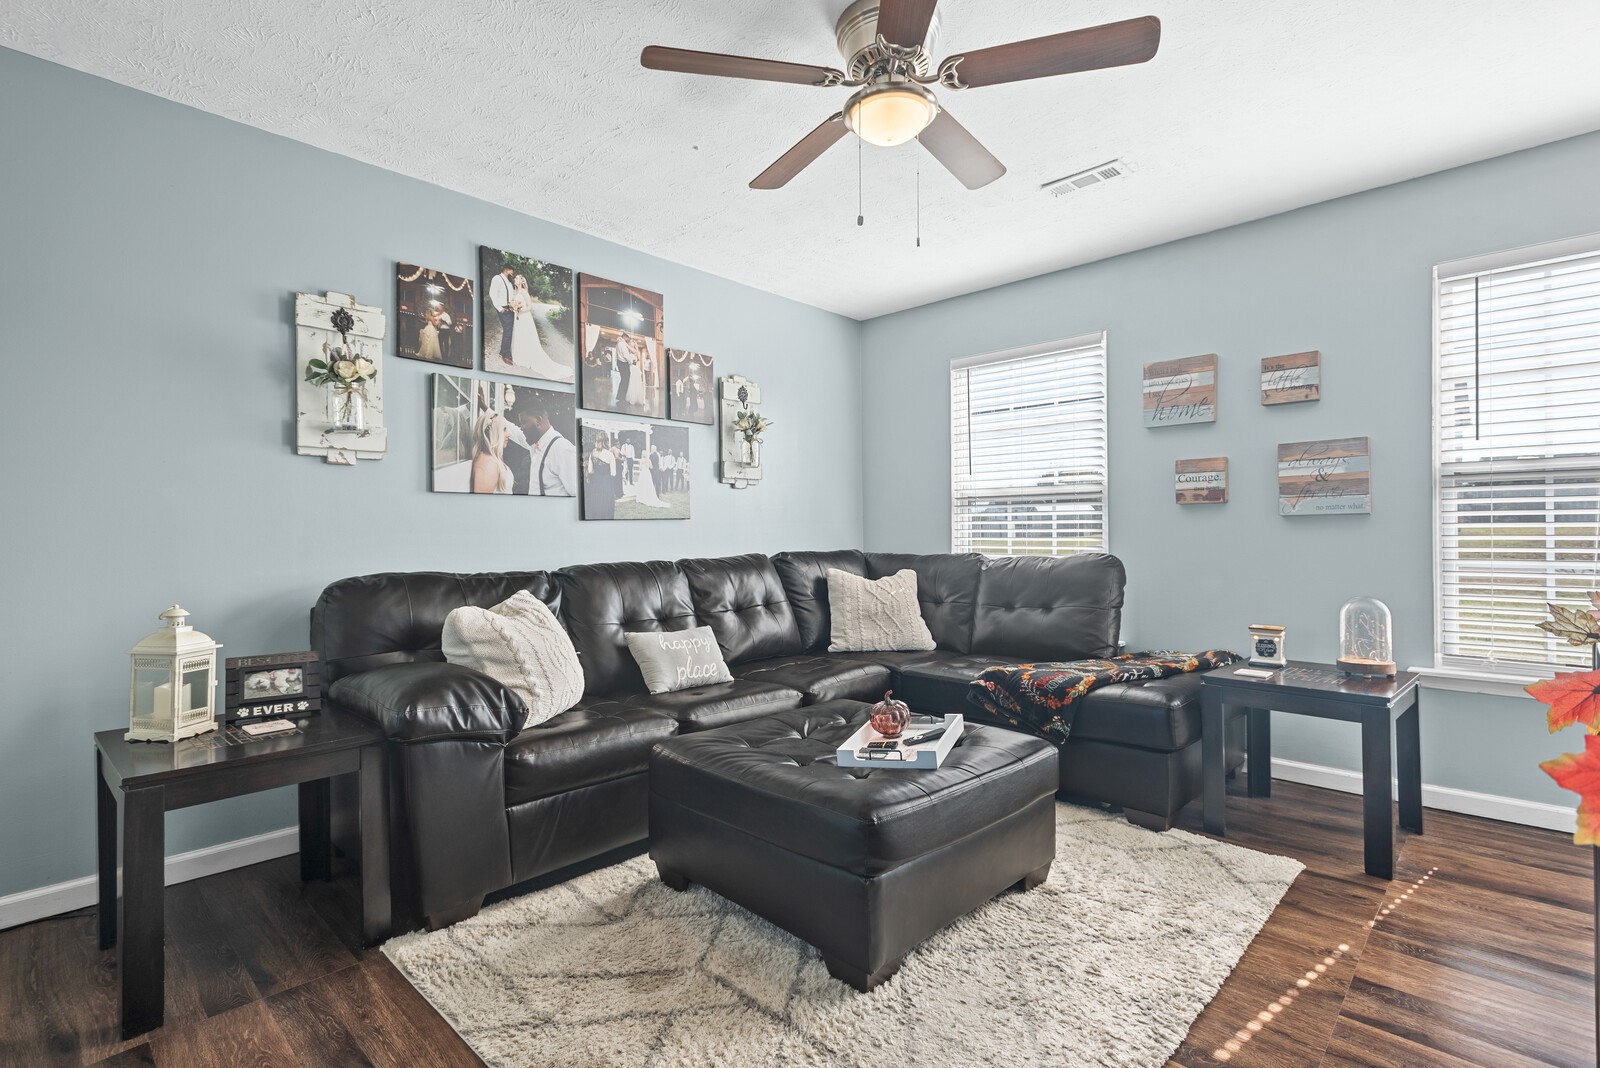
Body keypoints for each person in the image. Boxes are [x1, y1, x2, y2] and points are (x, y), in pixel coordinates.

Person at [510, 275, 571, 381]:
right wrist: (513, 307)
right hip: (517, 317)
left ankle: (527, 358)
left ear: (521, 281)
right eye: (514, 278)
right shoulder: (514, 292)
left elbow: (530, 306)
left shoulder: (524, 292)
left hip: (525, 317)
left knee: (527, 336)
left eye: (516, 278)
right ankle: (519, 356)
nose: (515, 279)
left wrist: (520, 310)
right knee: (519, 335)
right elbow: (512, 303)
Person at [511, 403, 578, 497]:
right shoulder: (535, 442)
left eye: (523, 422)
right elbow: (513, 432)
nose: (521, 428)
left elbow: (576, 494)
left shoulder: (562, 448)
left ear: (538, 420)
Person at [469, 412, 513, 494]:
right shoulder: (487, 463)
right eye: (504, 430)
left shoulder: (489, 459)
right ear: (493, 433)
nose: (508, 434)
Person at [585, 433, 618, 520]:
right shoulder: (609, 454)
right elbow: (613, 473)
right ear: (606, 442)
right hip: (606, 484)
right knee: (606, 506)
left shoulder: (592, 453)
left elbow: (590, 471)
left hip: (595, 484)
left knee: (595, 505)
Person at [488, 265, 516, 365]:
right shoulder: (497, 279)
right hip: (503, 309)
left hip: (510, 309)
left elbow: (511, 295)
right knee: (508, 331)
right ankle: (506, 355)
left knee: (509, 330)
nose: (512, 275)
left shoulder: (509, 282)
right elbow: (492, 294)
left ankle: (502, 350)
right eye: (511, 272)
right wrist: (500, 309)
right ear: (506, 270)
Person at [631, 445, 670, 509]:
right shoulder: (651, 458)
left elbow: (640, 468)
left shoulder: (641, 460)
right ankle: (653, 495)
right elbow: (651, 467)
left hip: (643, 473)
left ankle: (642, 497)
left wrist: (644, 466)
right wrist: (648, 466)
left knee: (642, 485)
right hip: (648, 473)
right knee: (649, 485)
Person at [624, 337, 647, 410]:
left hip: (635, 368)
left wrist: (637, 348)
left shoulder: (635, 351)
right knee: (632, 382)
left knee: (637, 382)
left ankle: (638, 399)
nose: (632, 343)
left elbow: (638, 359)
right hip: (631, 367)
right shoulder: (628, 351)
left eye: (633, 342)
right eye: (631, 342)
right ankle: (632, 398)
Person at [615, 336, 633, 409]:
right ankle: (622, 399)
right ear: (625, 337)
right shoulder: (622, 344)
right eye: (627, 338)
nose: (628, 340)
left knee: (623, 380)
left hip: (620, 363)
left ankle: (620, 397)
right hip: (623, 363)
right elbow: (626, 355)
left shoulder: (618, 343)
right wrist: (631, 361)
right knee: (625, 381)